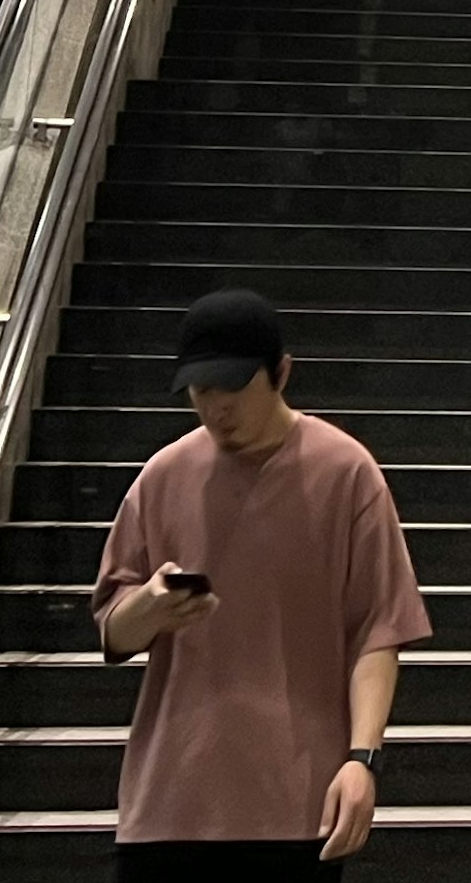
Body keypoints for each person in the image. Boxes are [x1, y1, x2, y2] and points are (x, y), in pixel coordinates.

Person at [93, 289, 431, 874]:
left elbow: (378, 631)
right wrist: (149, 607)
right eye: (201, 392)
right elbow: (114, 635)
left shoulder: (345, 473)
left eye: (233, 388)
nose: (216, 408)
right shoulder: (163, 477)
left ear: (281, 373)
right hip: (170, 801)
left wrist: (362, 759)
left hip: (297, 804)